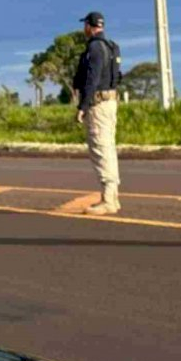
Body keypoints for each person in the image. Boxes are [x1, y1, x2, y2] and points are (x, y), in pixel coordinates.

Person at [73, 11, 123, 215]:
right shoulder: (112, 46)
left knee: (101, 149)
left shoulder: (94, 47)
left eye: (84, 24)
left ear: (89, 25)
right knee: (108, 148)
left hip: (98, 105)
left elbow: (91, 79)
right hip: (110, 102)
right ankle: (113, 197)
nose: (83, 28)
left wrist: (82, 106)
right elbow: (117, 76)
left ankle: (108, 200)